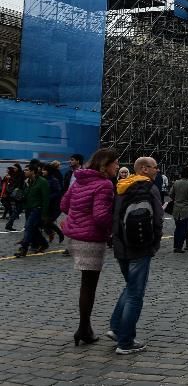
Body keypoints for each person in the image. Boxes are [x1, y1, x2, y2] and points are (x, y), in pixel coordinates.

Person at [60, 148, 118, 345]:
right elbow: (101, 216)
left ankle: (85, 328)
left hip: (75, 237)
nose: (118, 167)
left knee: (87, 283)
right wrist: (113, 228)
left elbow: (64, 205)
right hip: (91, 238)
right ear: (105, 164)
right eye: (115, 163)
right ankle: (83, 328)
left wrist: (78, 217)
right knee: (89, 285)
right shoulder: (104, 185)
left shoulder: (80, 180)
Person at [109, 156, 163, 355]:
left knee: (130, 287)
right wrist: (155, 243)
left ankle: (116, 328)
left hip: (120, 245)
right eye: (155, 167)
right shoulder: (150, 188)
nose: (157, 170)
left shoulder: (121, 186)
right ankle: (125, 342)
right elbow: (158, 218)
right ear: (144, 169)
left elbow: (113, 216)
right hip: (140, 247)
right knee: (135, 294)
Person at [14, 163, 50, 258]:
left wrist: (44, 214)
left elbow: (46, 199)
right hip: (28, 208)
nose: (24, 172)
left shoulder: (43, 182)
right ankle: (44, 243)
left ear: (33, 171)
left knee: (28, 227)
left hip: (37, 209)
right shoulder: (27, 182)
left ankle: (23, 248)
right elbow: (26, 195)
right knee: (33, 228)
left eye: (26, 170)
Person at [169, 166, 188, 253]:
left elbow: (170, 194)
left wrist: (176, 199)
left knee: (177, 228)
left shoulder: (176, 182)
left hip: (176, 209)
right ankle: (179, 247)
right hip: (187, 210)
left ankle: (176, 245)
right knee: (184, 229)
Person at [42, 162, 66, 244]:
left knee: (48, 221)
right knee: (44, 223)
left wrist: (48, 197)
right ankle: (51, 233)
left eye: (44, 170)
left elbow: (58, 192)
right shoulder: (43, 179)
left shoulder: (54, 180)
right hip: (46, 205)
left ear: (49, 171)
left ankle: (60, 233)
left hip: (55, 206)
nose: (42, 171)